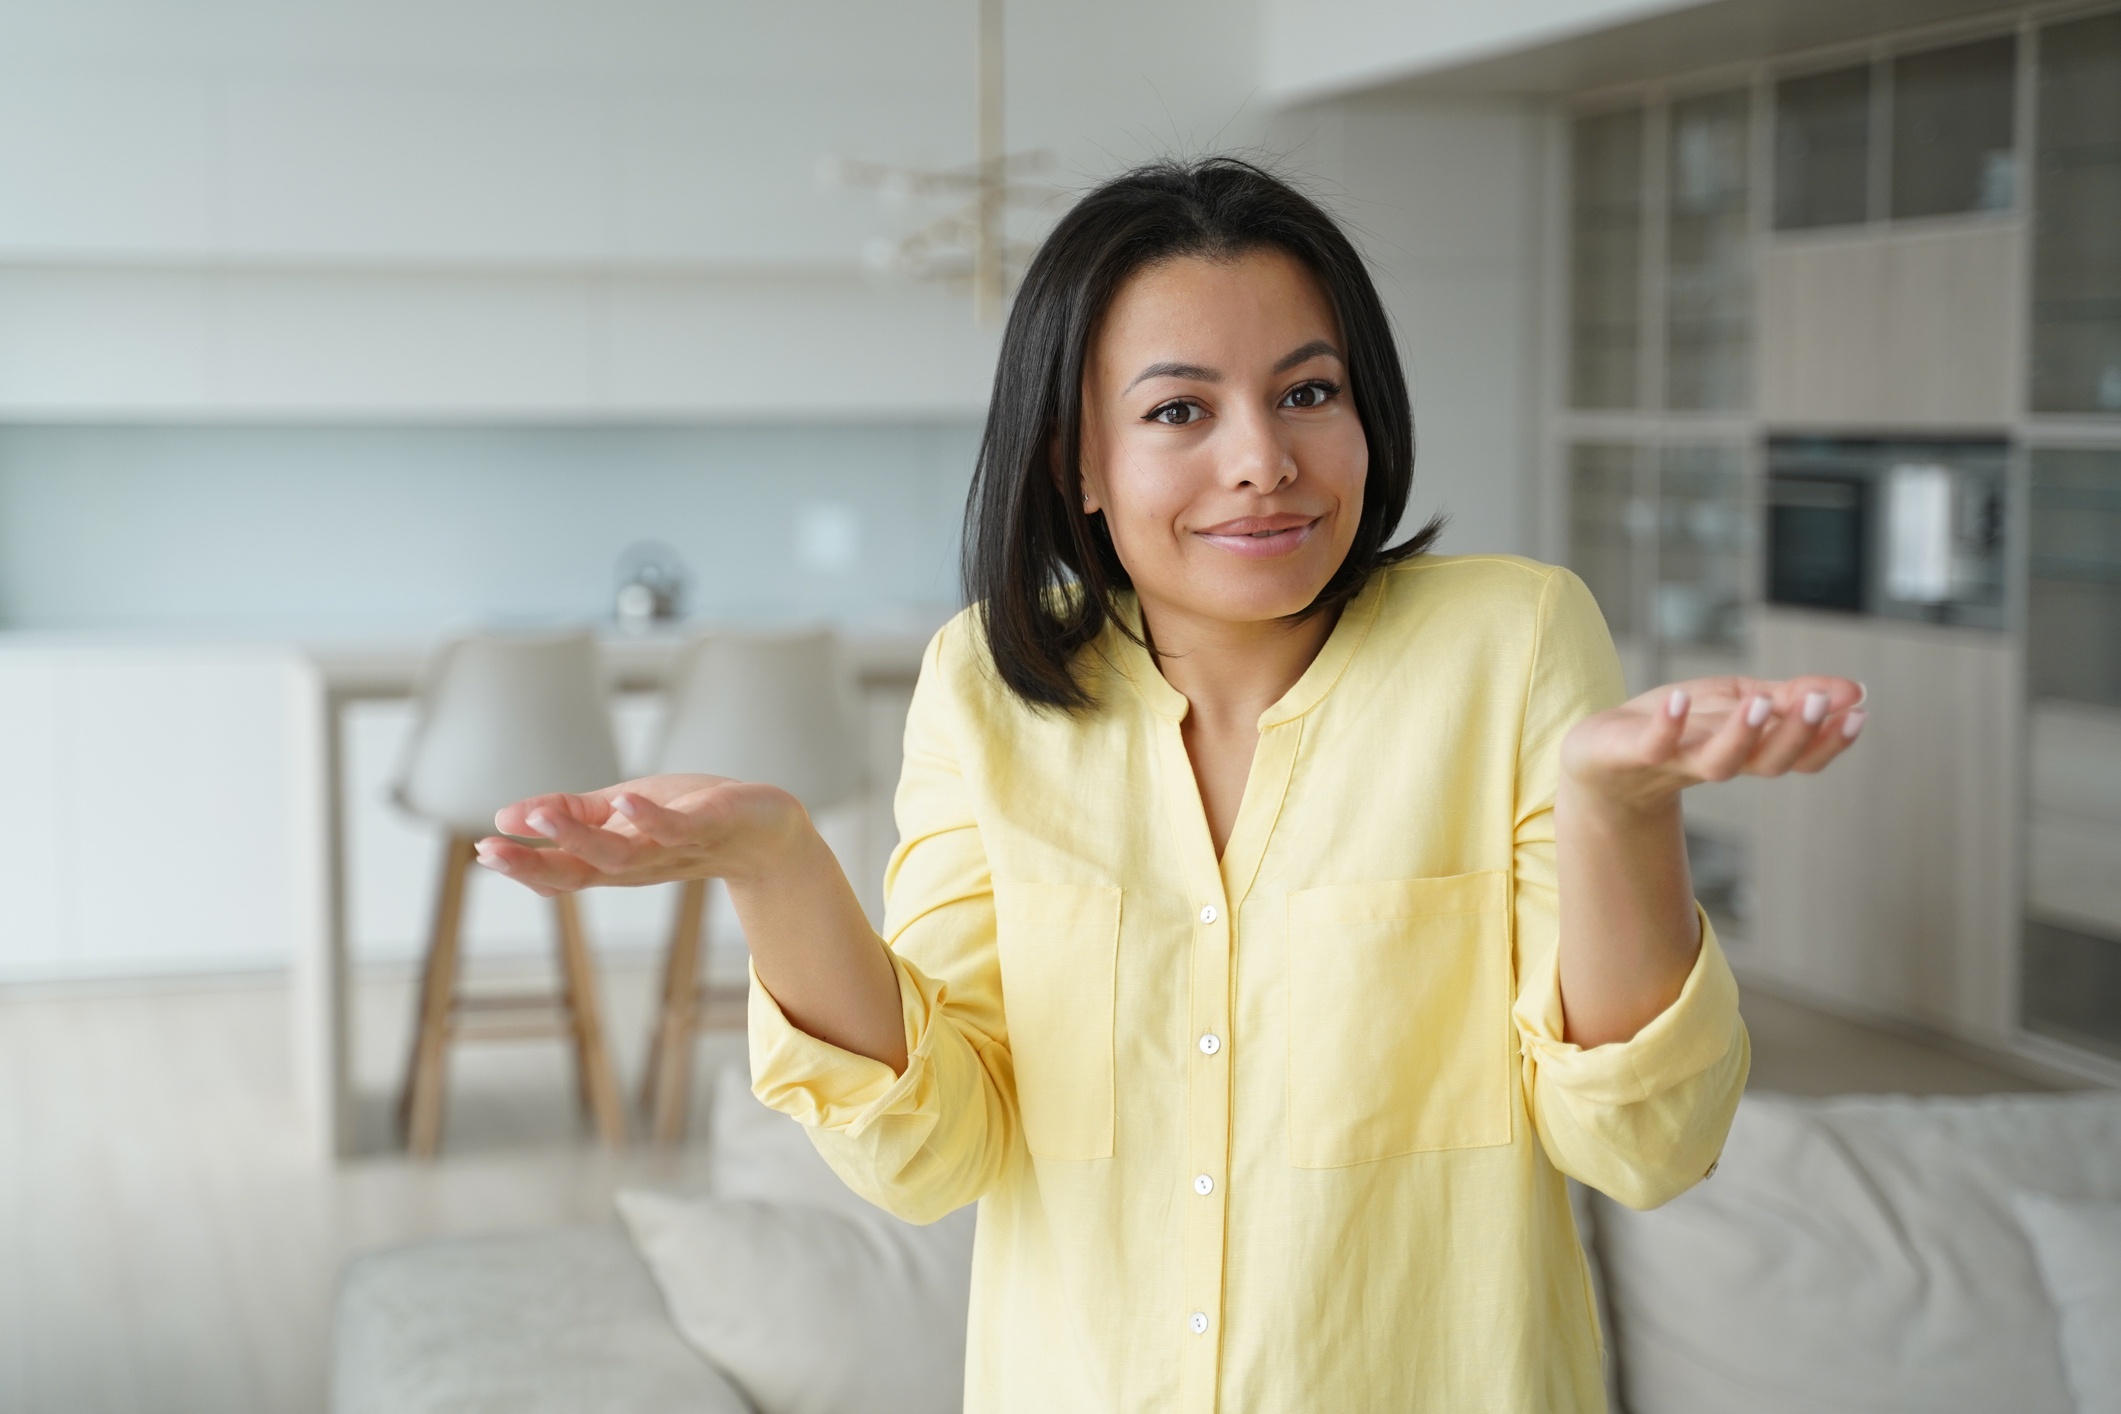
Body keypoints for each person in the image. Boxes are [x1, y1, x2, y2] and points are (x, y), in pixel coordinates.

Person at [475, 157, 1865, 1413]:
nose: (1260, 457)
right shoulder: (981, 684)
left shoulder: (1509, 640)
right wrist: (776, 865)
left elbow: (1641, 1141)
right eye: (1179, 410)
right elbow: (932, 1151)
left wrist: (1622, 812)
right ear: (1078, 459)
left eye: (1306, 392)